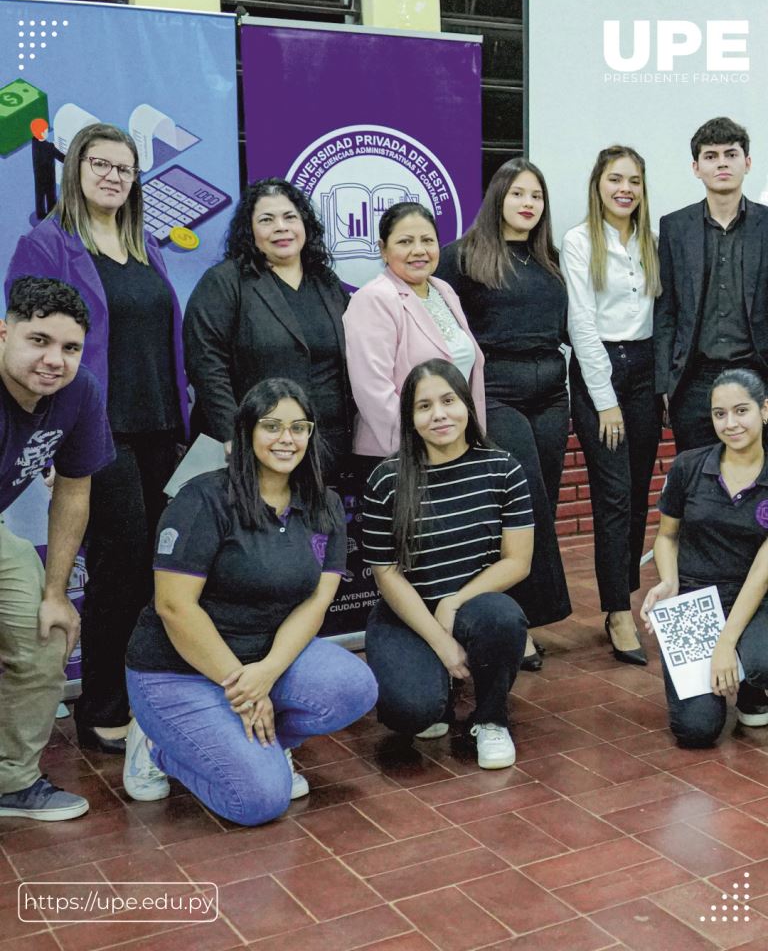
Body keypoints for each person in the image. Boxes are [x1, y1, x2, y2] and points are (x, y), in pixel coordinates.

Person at [5, 122, 189, 753]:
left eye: (125, 167)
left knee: (159, 568)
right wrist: (54, 438)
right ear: (75, 170)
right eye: (100, 164)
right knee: (120, 568)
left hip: (164, 427)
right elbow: (35, 351)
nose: (113, 176)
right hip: (99, 430)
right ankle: (101, 708)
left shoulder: (147, 245)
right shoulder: (47, 243)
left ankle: (145, 695)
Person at [123, 378, 378, 825]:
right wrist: (243, 688)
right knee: (259, 801)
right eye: (272, 426)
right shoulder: (204, 498)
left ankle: (259, 744)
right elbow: (174, 607)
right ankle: (158, 747)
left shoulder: (325, 504)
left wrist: (268, 672)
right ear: (246, 432)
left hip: (260, 663)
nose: (287, 439)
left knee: (354, 687)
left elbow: (317, 603)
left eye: (299, 428)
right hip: (178, 670)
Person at [362, 360, 532, 769]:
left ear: (467, 406)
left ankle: (490, 720)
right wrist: (440, 641)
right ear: (410, 418)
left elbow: (518, 561)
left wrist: (455, 602)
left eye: (448, 401)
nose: (438, 414)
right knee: (412, 714)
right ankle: (438, 694)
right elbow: (387, 575)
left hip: (472, 605)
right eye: (424, 406)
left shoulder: (503, 468)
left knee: (503, 618)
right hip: (407, 613)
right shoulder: (386, 479)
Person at [437, 159, 571, 667]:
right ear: (498, 198)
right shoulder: (462, 257)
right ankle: (520, 621)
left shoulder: (550, 260)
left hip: (551, 395)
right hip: (496, 394)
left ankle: (519, 616)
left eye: (536, 195)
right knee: (521, 505)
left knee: (546, 503)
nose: (528, 203)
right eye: (518, 193)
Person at [0, 276, 113, 821]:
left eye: (69, 348)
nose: (54, 360)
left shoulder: (80, 392)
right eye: (38, 340)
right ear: (4, 333)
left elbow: (73, 490)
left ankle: (11, 780)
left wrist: (55, 592)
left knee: (46, 631)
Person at [561, 145, 661, 665]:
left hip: (644, 370)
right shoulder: (579, 241)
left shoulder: (651, 241)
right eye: (615, 179)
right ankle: (617, 609)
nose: (625, 188)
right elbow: (581, 324)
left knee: (640, 491)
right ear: (597, 184)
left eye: (635, 181)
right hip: (601, 371)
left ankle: (622, 591)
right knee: (614, 494)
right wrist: (605, 402)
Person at [183, 178, 354, 475]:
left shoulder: (326, 283)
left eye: (290, 217)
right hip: (255, 449)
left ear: (305, 224)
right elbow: (206, 363)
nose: (281, 227)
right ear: (250, 230)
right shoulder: (224, 282)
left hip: (328, 448)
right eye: (266, 220)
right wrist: (231, 433)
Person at [641, 369, 768, 748]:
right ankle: (740, 676)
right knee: (696, 731)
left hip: (758, 596)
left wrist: (725, 644)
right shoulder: (688, 466)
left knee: (761, 661)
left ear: (765, 410)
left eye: (741, 411)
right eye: (719, 414)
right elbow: (666, 536)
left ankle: (752, 685)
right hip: (696, 599)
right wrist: (668, 582)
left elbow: (762, 575)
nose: (731, 424)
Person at [654, 117, 768, 453]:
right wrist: (665, 383)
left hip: (757, 373)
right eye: (711, 155)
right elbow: (666, 310)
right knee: (699, 484)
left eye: (731, 154)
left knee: (759, 487)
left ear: (746, 163)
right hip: (694, 381)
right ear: (696, 167)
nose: (721, 163)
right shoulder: (675, 227)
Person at [344, 202, 485, 458]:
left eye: (427, 240)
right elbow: (373, 390)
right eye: (405, 242)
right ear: (383, 249)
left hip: (454, 446)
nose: (419, 251)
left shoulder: (444, 290)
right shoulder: (374, 298)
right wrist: (418, 448)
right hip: (400, 454)